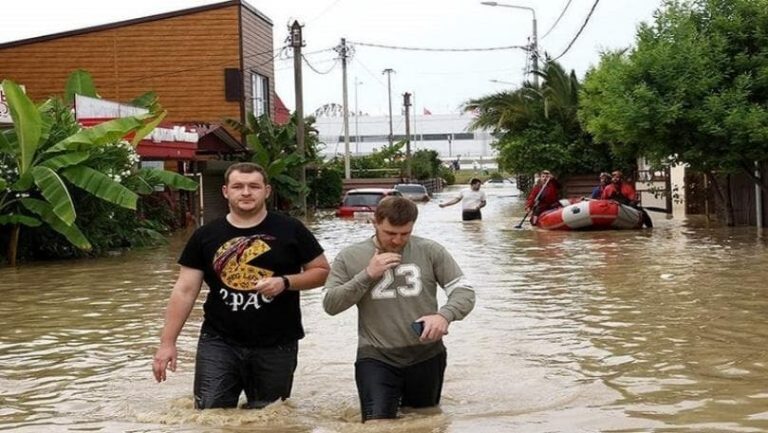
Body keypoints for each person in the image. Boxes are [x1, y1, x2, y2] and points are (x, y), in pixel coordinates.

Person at [152, 162, 330, 409]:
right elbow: (185, 290)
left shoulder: (291, 229)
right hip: (219, 341)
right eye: (238, 186)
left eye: (254, 186)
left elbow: (321, 272)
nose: (246, 192)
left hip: (277, 342)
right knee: (209, 414)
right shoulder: (205, 235)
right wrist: (167, 343)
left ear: (266, 191)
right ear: (226, 191)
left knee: (268, 417)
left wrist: (286, 282)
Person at [323, 197, 475, 423]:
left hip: (426, 355)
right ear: (375, 223)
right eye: (390, 233)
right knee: (377, 425)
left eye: (405, 234)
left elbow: (464, 291)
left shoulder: (430, 250)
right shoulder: (350, 256)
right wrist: (367, 275)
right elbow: (331, 305)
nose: (397, 240)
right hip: (376, 355)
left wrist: (444, 315)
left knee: (424, 422)